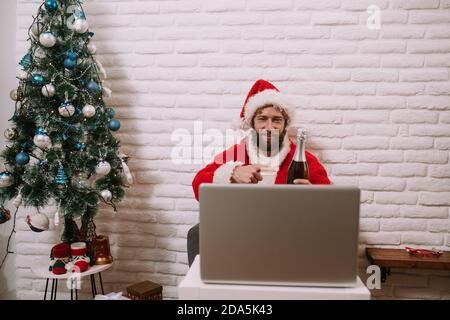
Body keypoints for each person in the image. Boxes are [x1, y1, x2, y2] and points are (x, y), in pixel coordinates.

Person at [187, 79, 331, 267]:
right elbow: (198, 185)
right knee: (197, 233)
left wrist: (314, 197)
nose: (269, 126)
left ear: (284, 125)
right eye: (262, 119)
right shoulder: (236, 153)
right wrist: (232, 172)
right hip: (242, 229)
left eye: (276, 120)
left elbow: (330, 203)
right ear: (252, 124)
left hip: (289, 232)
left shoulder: (303, 159)